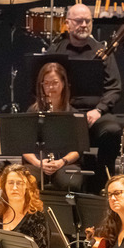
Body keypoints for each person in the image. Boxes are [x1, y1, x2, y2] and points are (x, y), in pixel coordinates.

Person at [47, 4, 122, 194]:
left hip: (95, 113)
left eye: (87, 21)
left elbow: (114, 88)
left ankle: (102, 186)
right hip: (64, 113)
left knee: (112, 130)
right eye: (78, 21)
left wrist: (98, 110)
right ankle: (63, 183)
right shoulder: (56, 51)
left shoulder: (102, 51)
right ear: (67, 24)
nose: (83, 25)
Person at [23, 62, 81, 191]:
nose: (50, 87)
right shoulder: (32, 111)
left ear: (63, 83)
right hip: (38, 163)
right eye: (46, 83)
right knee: (26, 181)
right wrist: (38, 163)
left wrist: (62, 162)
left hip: (65, 163)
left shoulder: (73, 114)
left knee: (70, 183)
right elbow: (25, 146)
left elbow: (78, 150)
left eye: (55, 82)